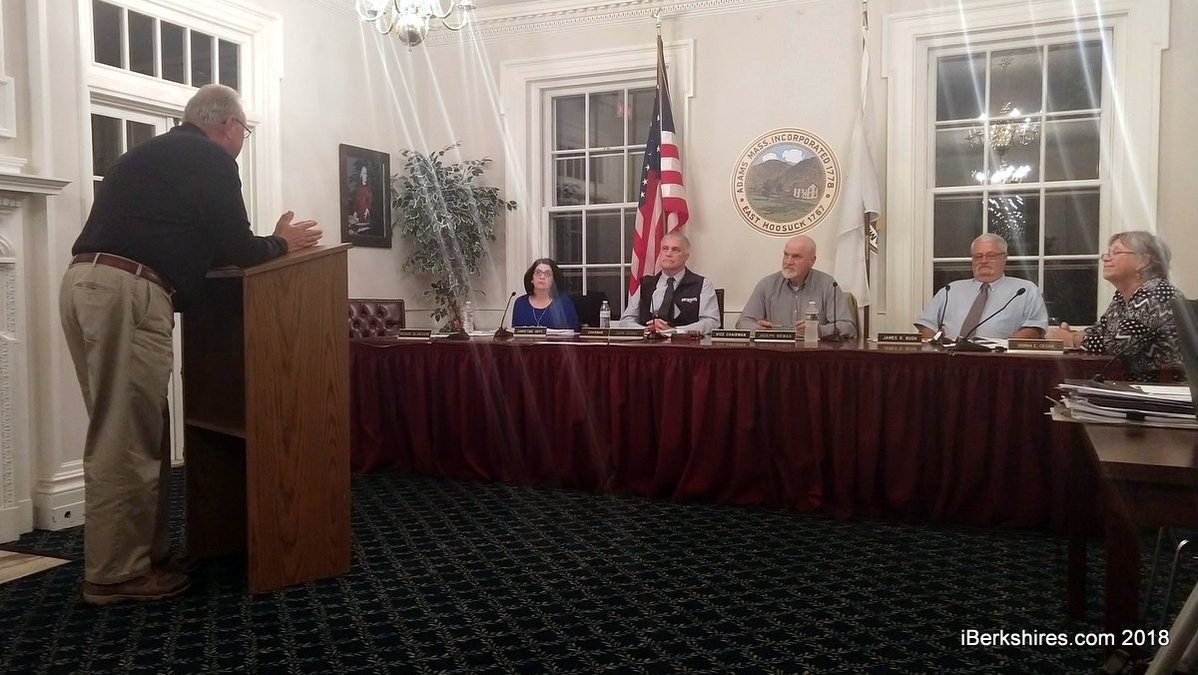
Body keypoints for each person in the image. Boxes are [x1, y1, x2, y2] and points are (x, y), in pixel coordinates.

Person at [59, 84, 322, 605]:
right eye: (244, 131)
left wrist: (263, 245)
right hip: (129, 291)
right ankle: (115, 575)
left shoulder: (147, 155)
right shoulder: (210, 158)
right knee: (126, 438)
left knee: (136, 432)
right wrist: (282, 243)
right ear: (228, 125)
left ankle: (145, 557)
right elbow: (238, 247)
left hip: (90, 285)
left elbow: (205, 248)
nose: (242, 141)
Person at [1047, 231, 1182, 381]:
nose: (1106, 258)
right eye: (1107, 253)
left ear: (1143, 261)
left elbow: (1117, 347)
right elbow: (1100, 329)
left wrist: (1072, 339)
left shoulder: (1156, 294)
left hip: (1156, 387)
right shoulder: (1122, 296)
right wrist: (1073, 334)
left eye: (1116, 252)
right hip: (1125, 382)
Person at [914, 233, 1048, 340]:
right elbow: (926, 326)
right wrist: (936, 350)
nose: (983, 261)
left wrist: (1006, 349)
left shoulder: (1025, 291)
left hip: (999, 360)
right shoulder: (950, 290)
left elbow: (1034, 328)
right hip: (950, 359)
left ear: (1005, 258)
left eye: (991, 256)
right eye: (978, 256)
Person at [736, 234, 857, 339]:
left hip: (815, 354)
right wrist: (756, 328)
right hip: (777, 353)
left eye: (796, 256)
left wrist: (819, 331)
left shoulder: (828, 285)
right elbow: (742, 323)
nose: (788, 262)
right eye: (786, 255)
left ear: (812, 261)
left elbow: (848, 327)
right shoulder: (767, 285)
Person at [619, 232, 720, 335]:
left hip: (685, 343)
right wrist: (647, 330)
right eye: (665, 248)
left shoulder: (702, 285)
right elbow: (626, 320)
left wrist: (675, 331)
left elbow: (712, 322)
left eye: (675, 250)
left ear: (686, 256)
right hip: (648, 343)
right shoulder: (646, 285)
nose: (668, 254)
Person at [510, 258, 580, 330]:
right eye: (538, 272)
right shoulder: (520, 303)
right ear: (531, 279)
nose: (542, 277)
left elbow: (573, 333)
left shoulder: (564, 303)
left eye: (547, 274)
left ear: (553, 280)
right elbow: (515, 333)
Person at [349, 162, 372, 232]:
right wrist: (354, 212)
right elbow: (354, 203)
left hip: (366, 219)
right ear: (360, 175)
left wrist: (368, 210)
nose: (366, 176)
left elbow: (369, 203)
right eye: (364, 173)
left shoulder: (369, 190)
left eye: (366, 174)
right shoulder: (356, 190)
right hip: (357, 219)